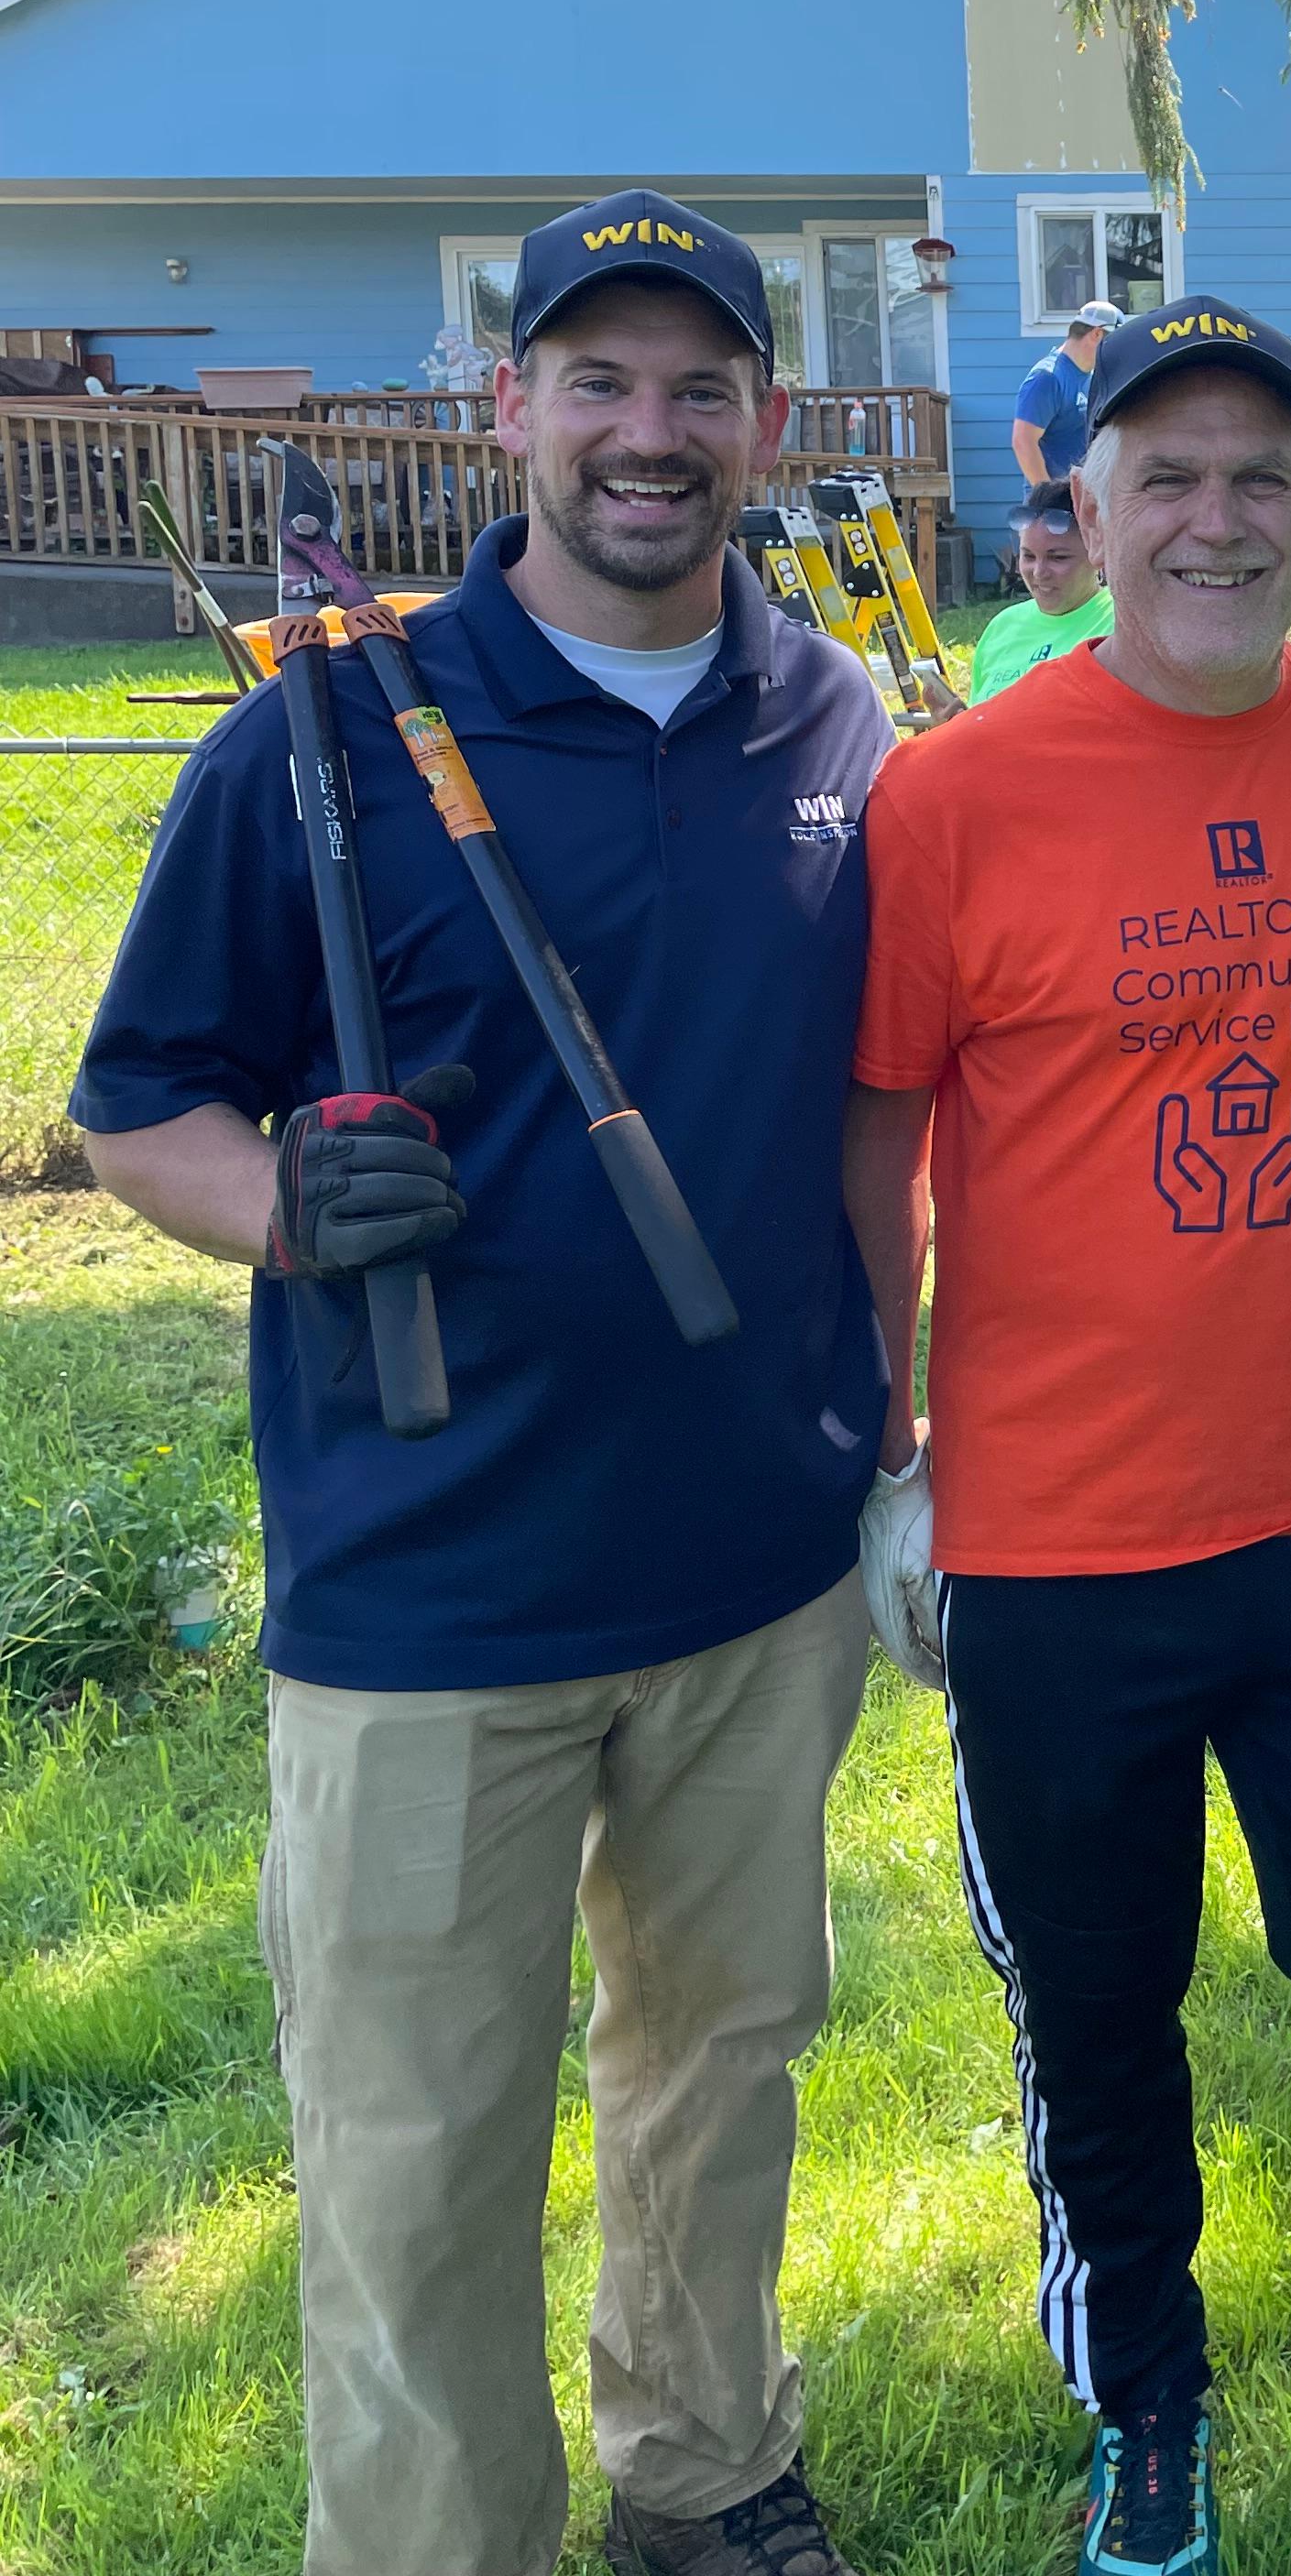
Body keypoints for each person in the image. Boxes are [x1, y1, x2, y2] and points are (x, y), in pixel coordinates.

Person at [74, 191, 895, 2576]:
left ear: (762, 420)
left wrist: (911, 1441)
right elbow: (142, 1105)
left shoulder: (840, 722)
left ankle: (709, 2469)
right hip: (430, 1589)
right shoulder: (322, 738)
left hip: (760, 1569)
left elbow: (873, 1111)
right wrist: (280, 1207)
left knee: (718, 2074)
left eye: (698, 386)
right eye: (599, 380)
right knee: (422, 2146)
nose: (652, 433)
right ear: (510, 405)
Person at [843, 295, 1291, 2576]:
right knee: (1100, 2002)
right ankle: (1143, 2398)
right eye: (1166, 475)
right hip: (1055, 1541)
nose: (1216, 516)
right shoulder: (953, 796)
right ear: (1083, 504)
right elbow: (876, 1148)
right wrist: (896, 1458)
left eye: (1262, 474)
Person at [968, 479, 1113, 701]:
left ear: (1096, 553)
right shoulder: (1001, 628)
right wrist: (960, 722)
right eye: (1028, 556)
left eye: (1058, 557)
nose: (1038, 572)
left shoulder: (1121, 626)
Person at [1014, 297, 1125, 487]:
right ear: (1097, 334)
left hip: (1084, 499)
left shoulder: (1092, 376)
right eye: (1114, 342)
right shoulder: (1047, 378)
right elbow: (1023, 442)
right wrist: (1048, 498)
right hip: (1055, 509)